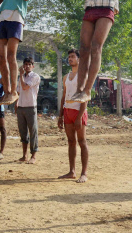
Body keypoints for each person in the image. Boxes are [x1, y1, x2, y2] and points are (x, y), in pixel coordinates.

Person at [69, 0, 123, 103]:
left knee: (95, 46)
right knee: (83, 49)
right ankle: (79, 90)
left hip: (106, 7)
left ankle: (87, 89)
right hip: (90, 7)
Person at [0, 0, 36, 106]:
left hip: (16, 17)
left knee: (11, 55)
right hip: (3, 17)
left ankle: (13, 91)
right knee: (1, 57)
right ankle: (7, 91)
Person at [58, 49, 89, 183]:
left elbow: (85, 97)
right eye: (69, 57)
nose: (70, 59)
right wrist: (60, 115)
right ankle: (72, 171)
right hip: (67, 110)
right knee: (71, 142)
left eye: (72, 57)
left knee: (82, 141)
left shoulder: (83, 76)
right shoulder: (66, 77)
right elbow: (64, 96)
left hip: (78, 111)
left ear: (79, 59)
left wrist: (79, 117)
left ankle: (84, 173)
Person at [15, 57, 41, 164]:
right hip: (21, 106)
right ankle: (24, 155)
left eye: (29, 64)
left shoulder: (35, 76)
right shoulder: (21, 77)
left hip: (31, 106)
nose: (27, 66)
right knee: (23, 131)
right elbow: (19, 91)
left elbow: (25, 87)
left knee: (32, 131)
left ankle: (33, 155)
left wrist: (21, 75)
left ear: (32, 66)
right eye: (25, 64)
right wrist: (16, 103)